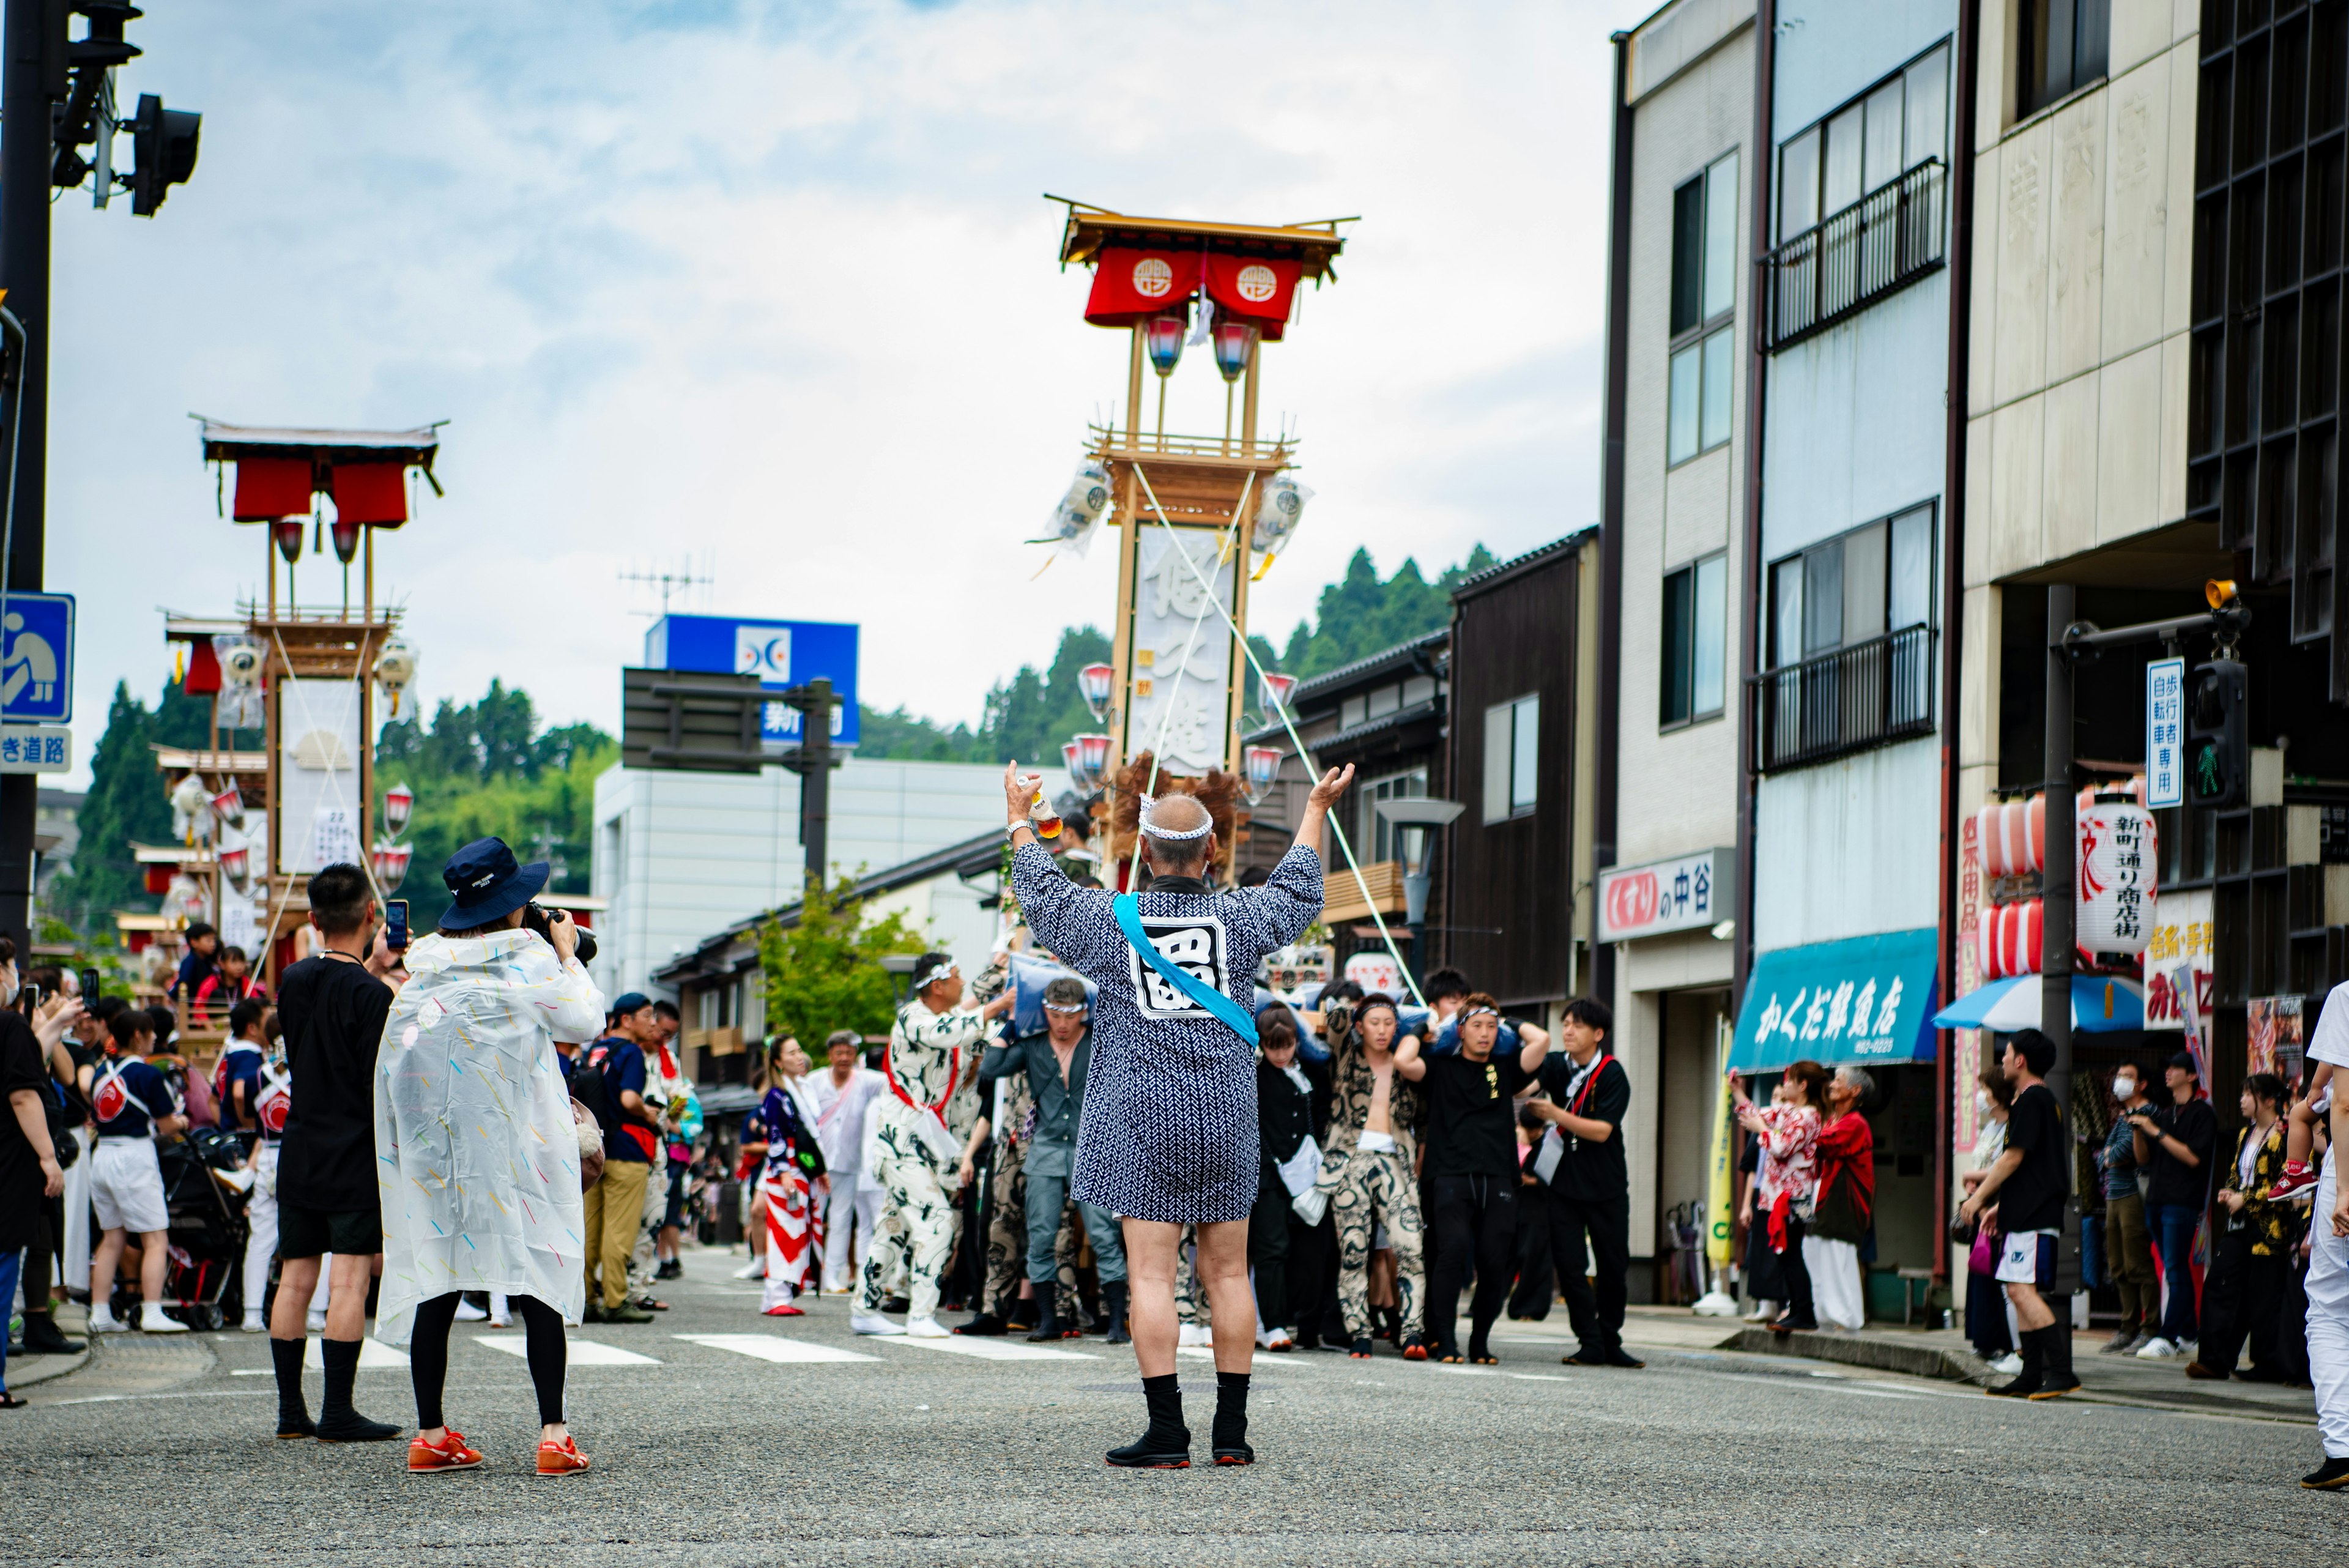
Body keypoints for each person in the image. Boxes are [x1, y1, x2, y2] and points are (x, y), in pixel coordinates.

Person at [1007, 758, 1346, 1467]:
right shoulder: (1240, 916)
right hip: (1225, 1114)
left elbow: (1045, 897)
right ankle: (1232, 1433)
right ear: (1213, 849)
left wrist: (1019, 815)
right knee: (1228, 1273)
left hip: (1138, 1117)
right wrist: (1314, 806)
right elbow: (1297, 886)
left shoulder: (1110, 920)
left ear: (1141, 851)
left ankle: (1167, 1432)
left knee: (1152, 1277)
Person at [376, 835, 604, 1476]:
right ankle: (553, 1436)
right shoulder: (529, 960)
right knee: (539, 1286)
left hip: (443, 1160)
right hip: (522, 1151)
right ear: (513, 904)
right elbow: (586, 1021)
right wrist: (566, 954)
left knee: (438, 1284)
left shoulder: (422, 975)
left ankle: (431, 1433)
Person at [269, 860, 401, 1443]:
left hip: (299, 1146)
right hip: (355, 1149)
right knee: (348, 1283)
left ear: (314, 919)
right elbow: (382, 1074)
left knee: (295, 1279)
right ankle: (339, 1409)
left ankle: (290, 1413)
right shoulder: (376, 996)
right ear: (371, 914)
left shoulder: (292, 981)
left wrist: (368, 968)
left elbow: (329, 998)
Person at [855, 954, 1011, 1339]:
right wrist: (997, 1007)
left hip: (929, 1143)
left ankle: (864, 1307)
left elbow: (964, 1081)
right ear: (937, 985)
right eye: (957, 976)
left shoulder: (954, 1021)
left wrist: (999, 969)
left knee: (892, 1227)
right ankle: (920, 1314)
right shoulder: (913, 1017)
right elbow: (947, 1031)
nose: (962, 982)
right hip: (900, 1139)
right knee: (938, 1222)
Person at [1396, 993, 1549, 1364]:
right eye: (1477, 1026)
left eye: (1491, 1027)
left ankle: (1480, 1342)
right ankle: (1446, 1341)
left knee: (1494, 1262)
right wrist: (1426, 1027)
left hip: (1498, 1175)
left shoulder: (1505, 1066)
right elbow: (1403, 1060)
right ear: (1461, 1031)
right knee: (1452, 1253)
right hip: (1449, 1174)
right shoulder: (1440, 1067)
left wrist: (1505, 1019)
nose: (1485, 1034)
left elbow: (1542, 1039)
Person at [978, 975, 1128, 1342]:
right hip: (1045, 1149)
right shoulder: (1031, 1045)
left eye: (1070, 1015)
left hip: (1091, 1148)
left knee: (1104, 1236)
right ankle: (1048, 1320)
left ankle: (1116, 1324)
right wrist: (1013, 1023)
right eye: (1055, 1014)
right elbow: (991, 1067)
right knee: (1042, 1236)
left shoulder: (1099, 1041)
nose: (1062, 1024)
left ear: (1083, 1013)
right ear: (1044, 1011)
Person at [1308, 992, 1429, 1361]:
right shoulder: (1346, 1055)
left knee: (1410, 1247)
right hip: (1349, 1160)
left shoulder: (1408, 1061)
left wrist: (1414, 1029)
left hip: (1395, 1160)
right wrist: (1369, 1007)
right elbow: (1337, 1017)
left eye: (1389, 1023)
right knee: (1354, 1251)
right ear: (1361, 1027)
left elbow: (1422, 1042)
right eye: (1373, 1023)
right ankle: (1360, 1332)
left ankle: (1413, 1333)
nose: (1381, 1030)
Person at [1958, 1028, 2077, 1400]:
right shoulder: (2039, 1100)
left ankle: (2061, 1371)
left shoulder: (2032, 1099)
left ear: (2021, 1060)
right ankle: (2031, 1373)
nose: (2004, 1061)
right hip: (2024, 1212)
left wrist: (1979, 1200)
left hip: (2034, 1216)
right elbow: (2031, 1168)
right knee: (2015, 1288)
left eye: (2007, 1054)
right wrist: (1999, 1207)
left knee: (2023, 1292)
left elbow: (2013, 1157)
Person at [1527, 997, 1638, 1367]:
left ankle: (1610, 1339)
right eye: (1565, 1024)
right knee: (1571, 1266)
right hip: (1562, 1183)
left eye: (1577, 1025)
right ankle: (1589, 1341)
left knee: (1613, 1267)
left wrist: (1555, 1113)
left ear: (1599, 1033)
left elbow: (1603, 1131)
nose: (1569, 1031)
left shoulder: (1612, 1074)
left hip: (1605, 1185)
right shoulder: (1557, 1064)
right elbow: (1526, 1087)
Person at [82, 1006, 187, 1335]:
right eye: (152, 1032)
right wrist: (182, 1121)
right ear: (139, 1035)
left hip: (102, 1156)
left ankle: (100, 1312)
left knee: (112, 1237)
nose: (156, 1037)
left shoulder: (102, 1072)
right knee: (156, 1237)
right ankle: (152, 1310)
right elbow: (168, 1124)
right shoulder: (148, 1074)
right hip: (134, 1157)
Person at [2191, 1072, 2294, 1383]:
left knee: (2263, 1296)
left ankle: (2267, 1365)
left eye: (2248, 1095)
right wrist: (2230, 1192)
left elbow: (2287, 1185)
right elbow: (2238, 1173)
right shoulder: (2244, 1134)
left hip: (2269, 1228)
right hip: (2238, 1224)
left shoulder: (2284, 1135)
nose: (2242, 1100)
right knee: (2220, 1283)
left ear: (2269, 1100)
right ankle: (2213, 1360)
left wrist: (2245, 1199)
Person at [1, 948, 68, 1406]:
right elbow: (24, 1093)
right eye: (10, 970)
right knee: (2, 1270)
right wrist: (49, 1157)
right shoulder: (8, 1026)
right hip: (5, 1167)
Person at [1249, 1004, 1331, 1351]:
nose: (1280, 1053)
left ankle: (1304, 1322)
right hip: (1269, 1174)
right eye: (1273, 1046)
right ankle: (1272, 1324)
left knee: (1310, 1250)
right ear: (1262, 1044)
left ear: (1297, 1041)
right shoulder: (1252, 1074)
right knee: (1271, 1250)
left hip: (1309, 1174)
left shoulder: (1312, 1072)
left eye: (1287, 1045)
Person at [2128, 1050, 2216, 1359]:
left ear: (2191, 1076)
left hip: (2182, 1202)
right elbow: (2144, 1160)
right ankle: (2190, 1333)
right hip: (2156, 1199)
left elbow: (2193, 1157)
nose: (2168, 1073)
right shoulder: (2165, 1113)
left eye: (2175, 1068)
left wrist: (2157, 1132)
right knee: (2172, 1269)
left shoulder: (2202, 1114)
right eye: (2167, 1068)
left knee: (2176, 1269)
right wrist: (2139, 1132)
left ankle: (2167, 1337)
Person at [583, 994, 661, 1325]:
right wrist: (650, 1113)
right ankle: (615, 1301)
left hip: (593, 1152)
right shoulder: (632, 1052)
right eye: (647, 1015)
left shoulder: (594, 1051)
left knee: (590, 1230)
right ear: (626, 1020)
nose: (653, 1023)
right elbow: (630, 1099)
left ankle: (585, 1299)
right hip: (627, 1150)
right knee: (620, 1231)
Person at [1734, 1061, 1825, 1333]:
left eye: (1790, 1080)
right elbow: (1755, 1114)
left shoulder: (1809, 1116)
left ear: (1803, 1085)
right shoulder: (1790, 1111)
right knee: (1785, 1254)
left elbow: (1781, 1146)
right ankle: (1798, 1311)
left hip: (1793, 1198)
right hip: (1778, 1197)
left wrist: (1761, 1128)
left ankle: (1804, 1312)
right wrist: (1738, 1092)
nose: (1785, 1085)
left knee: (1791, 1254)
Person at [2302, 977, 2349, 1488]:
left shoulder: (2346, 997)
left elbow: (2342, 1102)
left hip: (2348, 1165)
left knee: (2331, 1304)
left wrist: (2344, 1190)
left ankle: (2343, 1447)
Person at [217, 1000, 283, 1332]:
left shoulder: (259, 1072)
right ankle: (315, 1313)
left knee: (261, 1238)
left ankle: (253, 1314)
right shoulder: (306, 1072)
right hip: (298, 1156)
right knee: (318, 1238)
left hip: (268, 1153)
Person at [807, 1030, 886, 1295]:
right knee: (813, 1218)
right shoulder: (814, 1080)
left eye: (849, 1053)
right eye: (839, 1052)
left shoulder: (866, 1080)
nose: (844, 1058)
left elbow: (895, 1082)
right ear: (830, 1054)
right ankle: (808, 1272)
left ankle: (832, 1275)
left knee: (841, 1221)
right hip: (817, 1164)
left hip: (850, 1163)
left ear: (856, 1056)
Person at [754, 1038, 826, 1316]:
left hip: (801, 1166)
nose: (800, 1057)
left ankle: (783, 1293)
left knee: (797, 1231)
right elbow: (776, 1136)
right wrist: (784, 1170)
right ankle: (776, 1296)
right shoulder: (777, 1095)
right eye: (792, 1053)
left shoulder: (800, 1089)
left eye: (800, 1051)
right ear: (777, 1061)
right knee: (784, 1232)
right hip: (787, 1169)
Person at [1806, 1066, 1876, 1333]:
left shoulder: (1855, 1123)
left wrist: (1795, 1128)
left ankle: (1848, 1322)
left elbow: (1822, 1143)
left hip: (1844, 1202)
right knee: (1816, 1256)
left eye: (1839, 1080)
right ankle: (1824, 1318)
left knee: (1837, 1260)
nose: (1833, 1084)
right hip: (1825, 1199)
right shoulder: (1832, 1120)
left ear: (1854, 1091)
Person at [2096, 1060, 2159, 1353]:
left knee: (2138, 1264)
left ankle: (2149, 1327)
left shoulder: (2148, 1112)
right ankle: (2127, 1326)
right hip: (2114, 1196)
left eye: (2127, 1076)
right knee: (2118, 1265)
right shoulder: (2124, 1117)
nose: (2119, 1080)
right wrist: (2109, 1156)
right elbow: (2102, 1155)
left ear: (2142, 1084)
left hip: (2134, 1194)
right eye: (2119, 1075)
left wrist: (2110, 1155)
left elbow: (2122, 1154)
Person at [1961, 1069, 2017, 1367]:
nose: (1981, 1096)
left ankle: (2007, 1345)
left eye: (1984, 1089)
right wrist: (1972, 1187)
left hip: (1998, 1206)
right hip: (1981, 1205)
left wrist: (1974, 1177)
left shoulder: (2012, 1125)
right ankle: (1983, 1338)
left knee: (1998, 1275)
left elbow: (2005, 1165)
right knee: (1981, 1270)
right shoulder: (1989, 1127)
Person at [191, 944, 264, 1030]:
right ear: (222, 964)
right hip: (215, 1027)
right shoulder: (210, 983)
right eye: (234, 962)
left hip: (240, 1028)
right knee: (217, 994)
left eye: (242, 962)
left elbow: (255, 1001)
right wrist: (209, 1026)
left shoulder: (245, 982)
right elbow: (199, 1008)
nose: (239, 967)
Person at [167, 921, 219, 1007]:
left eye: (214, 940)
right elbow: (183, 983)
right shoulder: (190, 961)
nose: (213, 944)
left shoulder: (206, 961)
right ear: (194, 942)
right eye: (208, 940)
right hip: (191, 1008)